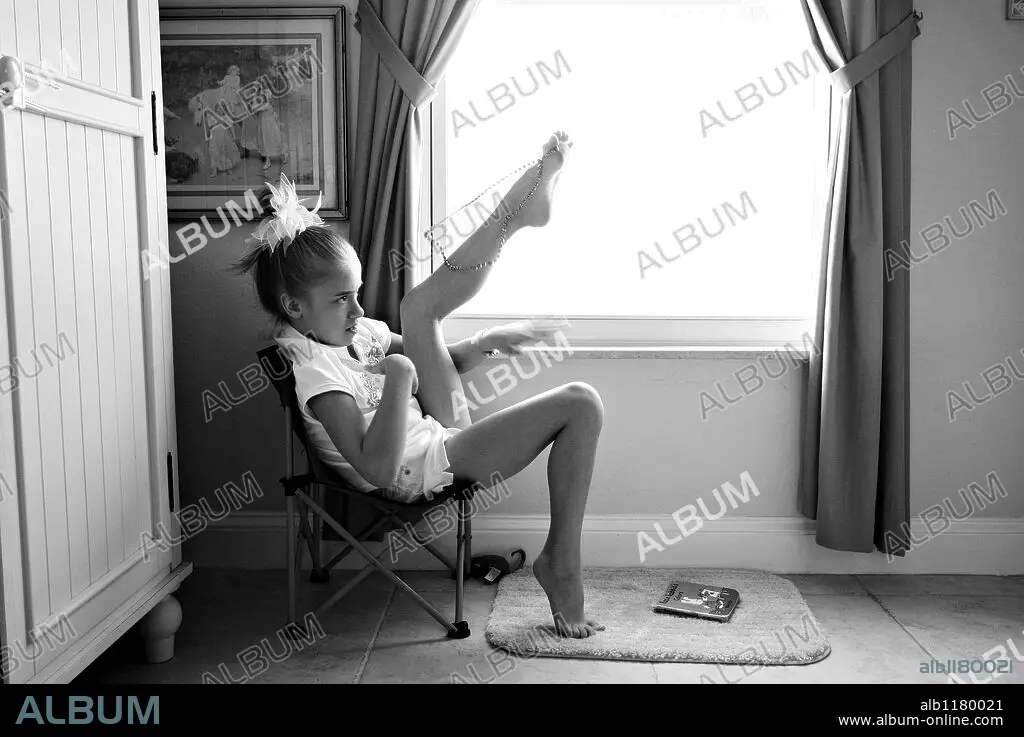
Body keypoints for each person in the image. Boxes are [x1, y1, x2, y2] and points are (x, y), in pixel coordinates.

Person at [235, 133, 604, 638]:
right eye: (341, 299)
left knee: (419, 311)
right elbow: (377, 469)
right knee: (581, 402)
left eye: (357, 293)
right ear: (295, 307)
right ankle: (561, 563)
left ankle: (516, 214)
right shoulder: (316, 372)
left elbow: (434, 361)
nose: (359, 310)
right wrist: (399, 377)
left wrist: (485, 343)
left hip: (438, 439)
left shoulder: (359, 333)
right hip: (415, 471)